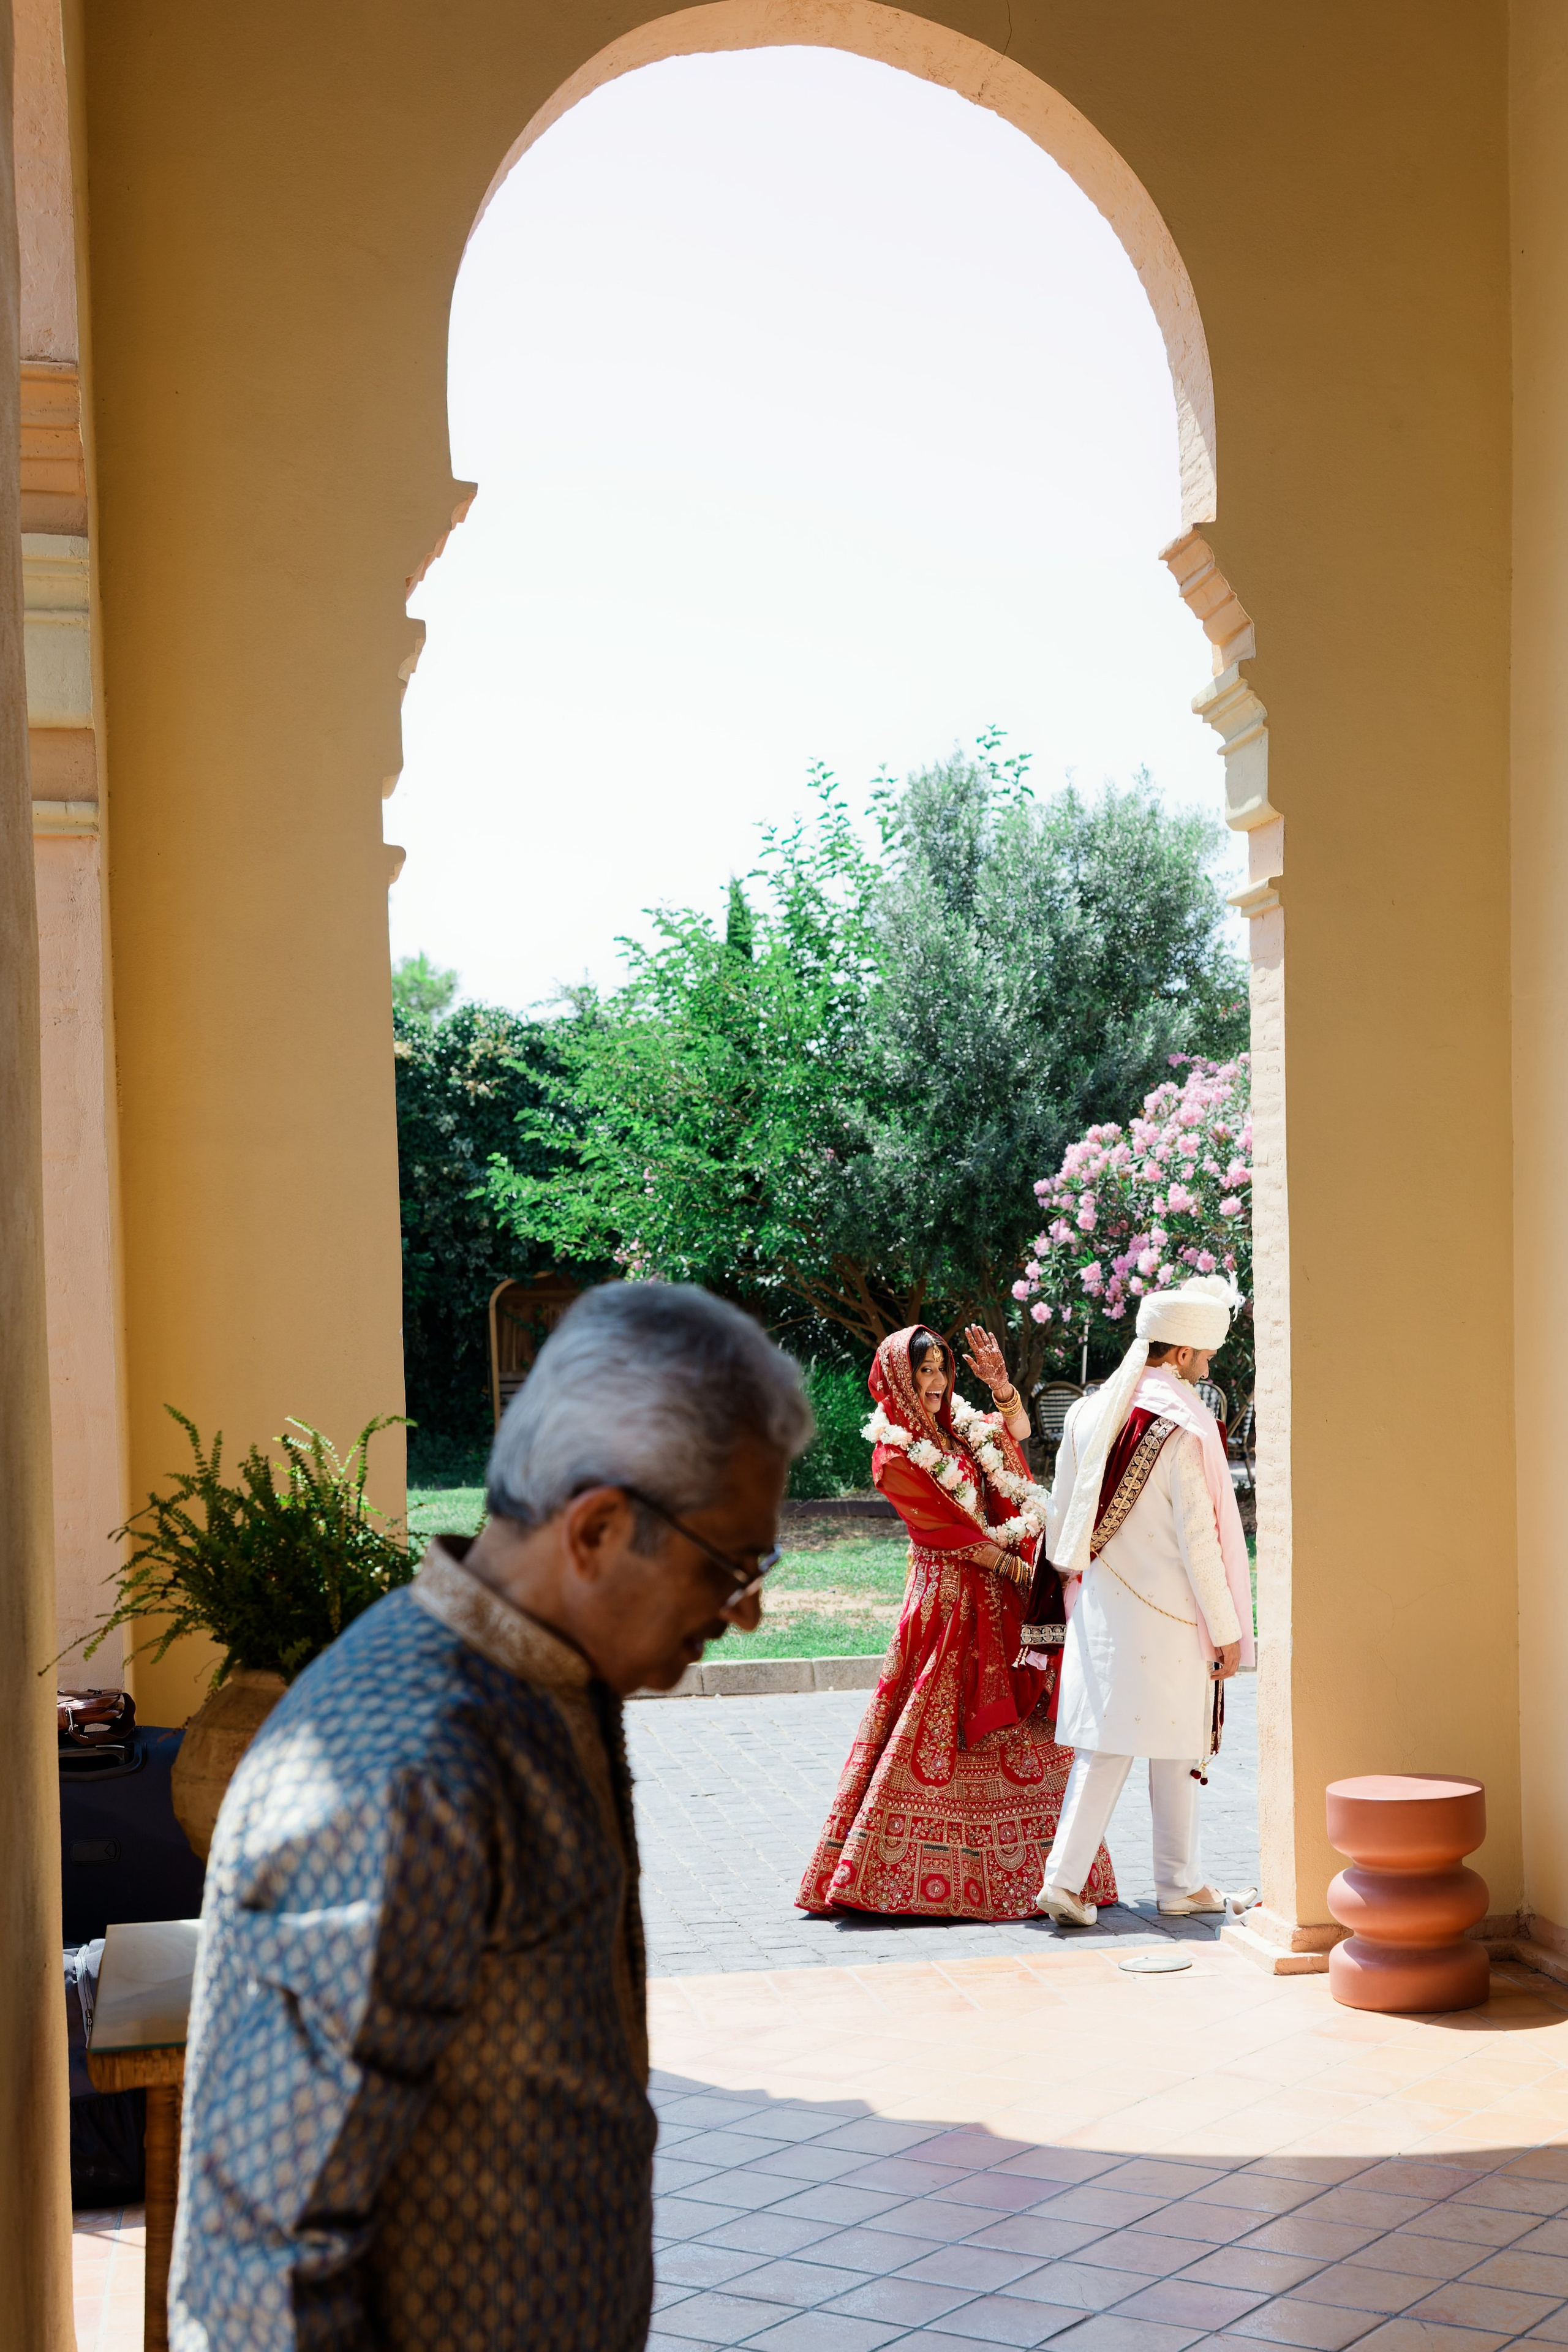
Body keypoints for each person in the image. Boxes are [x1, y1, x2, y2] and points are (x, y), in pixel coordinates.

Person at [168, 1283, 812, 2352]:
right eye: (732, 1566)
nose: (747, 1610)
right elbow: (263, 2270)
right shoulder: (403, 1764)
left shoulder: (550, 1683)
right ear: (600, 1528)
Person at [797, 1324, 1116, 1922]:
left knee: (1026, 1733)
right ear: (898, 1377)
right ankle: (897, 1874)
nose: (937, 1382)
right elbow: (941, 1529)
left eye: (942, 1370)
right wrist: (1014, 1569)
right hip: (945, 1603)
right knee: (932, 1720)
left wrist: (1001, 1388)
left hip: (999, 1600)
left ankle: (1050, 1874)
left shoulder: (959, 1428)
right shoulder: (893, 1452)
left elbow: (1014, 1439)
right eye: (924, 1372)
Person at [1030, 1273, 1255, 1929]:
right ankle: (1150, 1883)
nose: (1206, 1369)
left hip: (1099, 1607)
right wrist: (1228, 1627)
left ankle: (1129, 1882)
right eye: (1204, 1356)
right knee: (1174, 1744)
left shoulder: (1085, 1412)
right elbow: (1200, 1540)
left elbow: (1062, 1516)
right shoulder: (1181, 1426)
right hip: (1170, 1618)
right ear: (1180, 1354)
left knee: (1112, 1745)